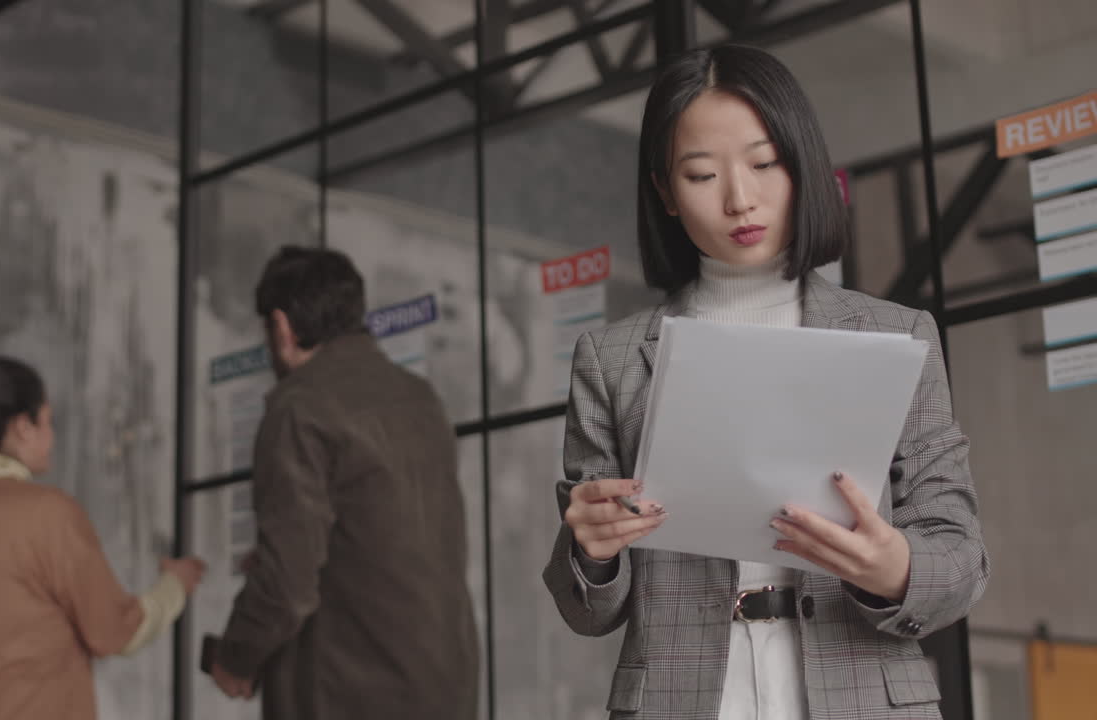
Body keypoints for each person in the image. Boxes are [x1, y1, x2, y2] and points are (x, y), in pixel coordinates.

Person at [542, 45, 989, 720]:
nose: (739, 199)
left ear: (801, 165)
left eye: (764, 163)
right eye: (700, 174)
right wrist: (592, 552)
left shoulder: (898, 338)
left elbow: (960, 557)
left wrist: (891, 565)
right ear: (664, 190)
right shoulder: (610, 357)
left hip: (864, 697)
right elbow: (587, 611)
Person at [208, 246, 479, 720]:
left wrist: (235, 657)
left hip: (349, 693)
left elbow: (287, 585)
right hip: (446, 686)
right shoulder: (420, 398)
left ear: (282, 328)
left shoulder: (300, 405)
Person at [0, 356, 206, 720]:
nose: (52, 436)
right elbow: (115, 631)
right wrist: (175, 584)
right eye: (48, 421)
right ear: (22, 427)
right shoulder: (48, 515)